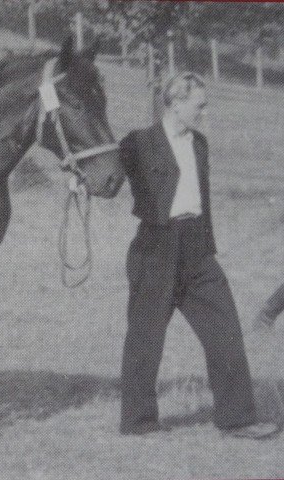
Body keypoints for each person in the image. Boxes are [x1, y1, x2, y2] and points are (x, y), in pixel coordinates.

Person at [118, 71, 278, 439]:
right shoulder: (139, 143)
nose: (205, 113)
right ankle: (138, 422)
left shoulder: (200, 144)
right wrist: (77, 178)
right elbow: (106, 175)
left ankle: (237, 419)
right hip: (156, 244)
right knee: (145, 335)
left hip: (198, 247)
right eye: (199, 105)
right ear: (175, 103)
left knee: (224, 328)